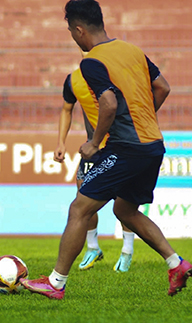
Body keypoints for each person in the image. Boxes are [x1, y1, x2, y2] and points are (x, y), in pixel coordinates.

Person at [21, 0, 192, 299]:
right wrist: (143, 119)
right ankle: (175, 263)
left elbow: (109, 103)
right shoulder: (133, 51)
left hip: (126, 147)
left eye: (71, 32)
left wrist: (92, 142)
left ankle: (56, 283)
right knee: (125, 210)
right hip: (153, 144)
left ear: (78, 30)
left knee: (80, 208)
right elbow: (163, 87)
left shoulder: (91, 62)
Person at [55, 68, 135, 272]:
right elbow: (66, 109)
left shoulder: (116, 75)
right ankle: (93, 248)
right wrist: (61, 143)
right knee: (83, 198)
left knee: (124, 203)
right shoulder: (74, 79)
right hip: (93, 149)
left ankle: (127, 251)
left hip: (121, 147)